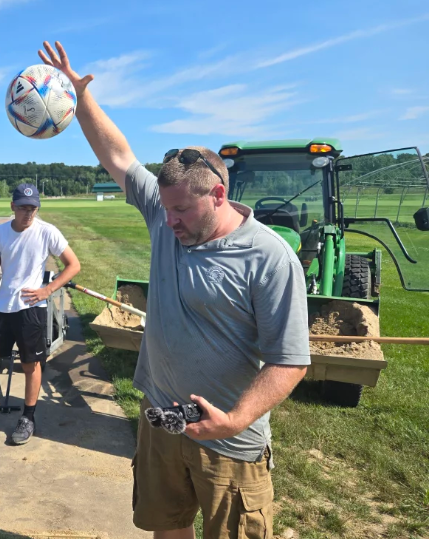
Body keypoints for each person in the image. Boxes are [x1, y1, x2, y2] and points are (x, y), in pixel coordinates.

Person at [38, 42, 310, 538]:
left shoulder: (268, 257)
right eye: (165, 209)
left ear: (219, 195)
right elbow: (118, 155)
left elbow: (289, 360)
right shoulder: (167, 220)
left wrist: (233, 420)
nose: (169, 221)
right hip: (161, 419)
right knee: (165, 528)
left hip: (231, 439)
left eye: (182, 211)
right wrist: (80, 99)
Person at [0, 183, 81, 445]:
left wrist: (48, 290)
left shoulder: (47, 232)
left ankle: (28, 418)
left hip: (31, 309)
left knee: (31, 364)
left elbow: (73, 265)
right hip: (3, 308)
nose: (28, 213)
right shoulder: (0, 233)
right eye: (23, 208)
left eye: (33, 208)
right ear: (13, 207)